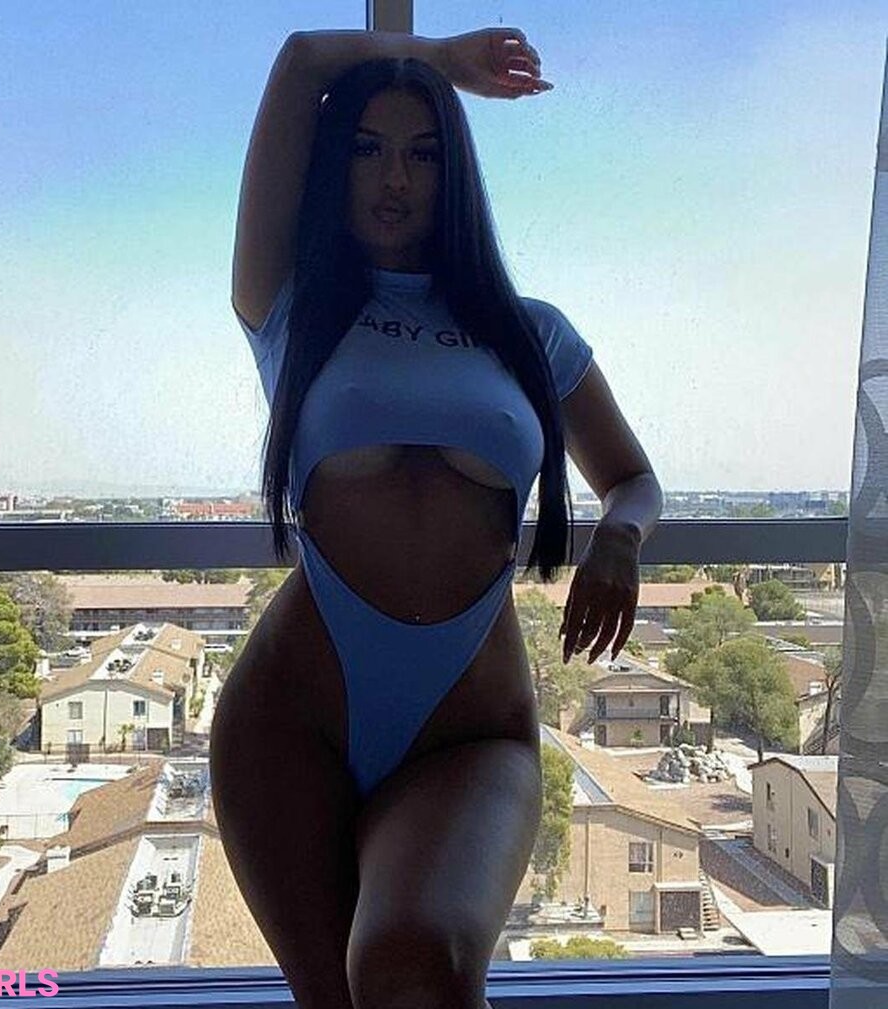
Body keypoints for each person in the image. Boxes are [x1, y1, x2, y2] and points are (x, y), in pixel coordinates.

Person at [210, 25, 663, 1009]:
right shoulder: (288, 305)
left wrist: (619, 541)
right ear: (335, 165)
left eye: (423, 154)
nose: (395, 178)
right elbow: (299, 59)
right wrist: (442, 62)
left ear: (453, 176)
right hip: (290, 715)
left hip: (469, 728)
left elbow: (632, 477)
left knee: (420, 967)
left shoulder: (531, 332)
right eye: (369, 148)